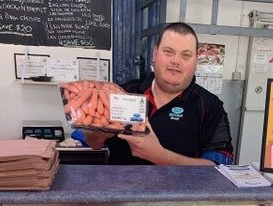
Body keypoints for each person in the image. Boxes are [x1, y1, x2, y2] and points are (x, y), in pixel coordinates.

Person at [85, 22, 233, 165]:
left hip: (178, 191)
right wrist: (98, 134)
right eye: (168, 52)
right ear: (155, 54)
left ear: (196, 61)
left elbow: (219, 167)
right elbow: (93, 144)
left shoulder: (211, 106)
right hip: (120, 189)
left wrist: (159, 156)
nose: (175, 61)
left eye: (186, 55)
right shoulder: (122, 93)